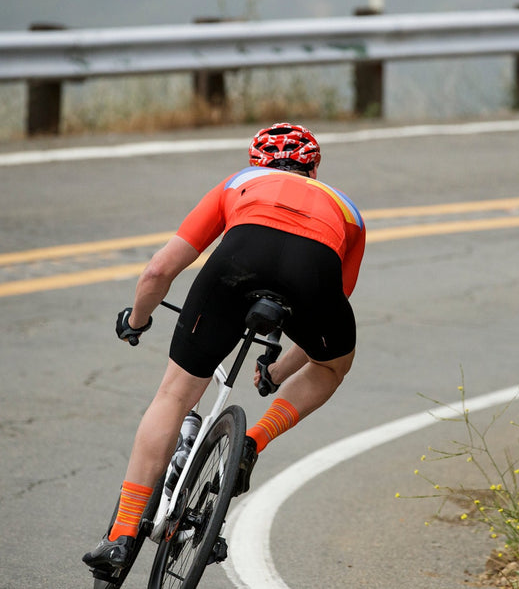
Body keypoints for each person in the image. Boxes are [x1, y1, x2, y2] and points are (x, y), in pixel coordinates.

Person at [83, 122, 366, 570]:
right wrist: (276, 372)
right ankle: (253, 441)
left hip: (237, 267)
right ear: (314, 167)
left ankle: (120, 536)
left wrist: (136, 320)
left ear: (257, 160)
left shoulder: (240, 181)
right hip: (311, 279)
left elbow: (159, 271)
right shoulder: (348, 210)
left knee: (174, 395)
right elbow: (320, 332)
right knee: (333, 365)